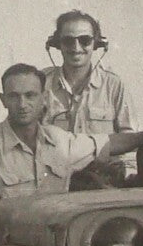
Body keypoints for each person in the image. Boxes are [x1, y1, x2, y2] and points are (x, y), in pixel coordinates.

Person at [0, 64, 143, 246]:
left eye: (30, 95)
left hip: (50, 237)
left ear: (43, 98)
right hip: (0, 236)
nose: (22, 104)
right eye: (14, 96)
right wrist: (27, 231)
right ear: (3, 100)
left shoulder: (58, 140)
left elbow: (108, 143)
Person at [41, 10, 136, 185]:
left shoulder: (113, 85)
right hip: (55, 181)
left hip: (104, 182)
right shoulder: (41, 84)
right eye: (68, 40)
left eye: (84, 40)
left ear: (96, 44)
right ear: (57, 44)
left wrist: (127, 179)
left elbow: (129, 138)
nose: (76, 48)